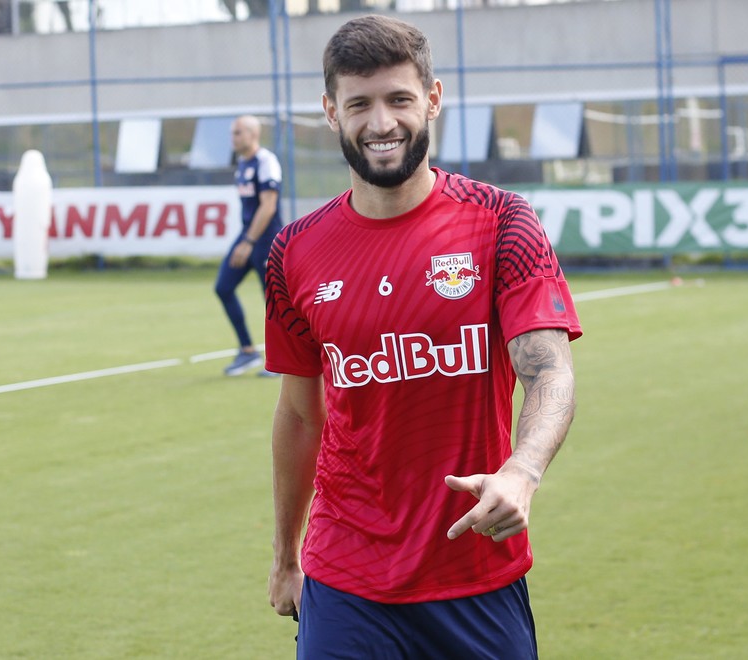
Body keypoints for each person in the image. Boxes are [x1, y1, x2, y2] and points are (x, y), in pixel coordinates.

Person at [264, 14, 582, 659]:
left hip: (472, 566)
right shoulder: (293, 252)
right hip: (344, 575)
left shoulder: (501, 222)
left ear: (432, 99)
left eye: (399, 99)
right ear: (331, 112)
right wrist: (285, 556)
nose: (381, 123)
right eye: (359, 104)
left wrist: (522, 471)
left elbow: (548, 373)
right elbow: (300, 417)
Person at [215, 115, 283, 376]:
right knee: (223, 287)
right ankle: (247, 351)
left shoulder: (266, 161)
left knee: (274, 302)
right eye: (233, 133)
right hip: (247, 236)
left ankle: (281, 362)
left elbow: (269, 206)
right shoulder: (242, 164)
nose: (233, 138)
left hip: (266, 240)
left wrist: (249, 241)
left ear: (253, 134)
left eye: (238, 133)